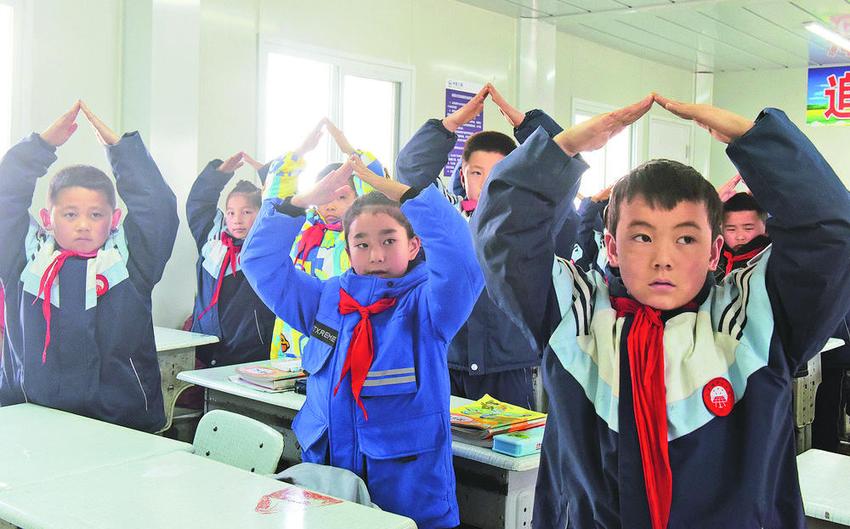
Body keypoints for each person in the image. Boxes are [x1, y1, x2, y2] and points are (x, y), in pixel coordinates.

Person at [472, 94, 850, 528]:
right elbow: (503, 236)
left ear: (714, 252)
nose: (663, 259)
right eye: (642, 237)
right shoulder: (574, 315)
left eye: (685, 239)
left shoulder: (753, 318)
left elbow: (833, 234)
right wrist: (561, 149)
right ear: (611, 247)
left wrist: (760, 142)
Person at [241, 156, 482, 529]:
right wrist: (299, 202)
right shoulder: (327, 300)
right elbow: (259, 263)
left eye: (389, 240)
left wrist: (410, 195)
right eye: (362, 243)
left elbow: (464, 263)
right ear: (347, 247)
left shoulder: (429, 306)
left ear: (414, 245)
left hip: (407, 498)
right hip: (330, 487)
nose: (377, 255)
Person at [0, 101, 179, 432]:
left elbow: (158, 208)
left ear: (113, 220)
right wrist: (39, 148)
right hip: (31, 419)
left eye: (95, 214)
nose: (83, 225)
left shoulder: (129, 263)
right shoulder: (23, 261)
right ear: (47, 219)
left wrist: (123, 151)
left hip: (120, 425)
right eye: (70, 214)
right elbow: (5, 198)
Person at [396, 84, 573, 408]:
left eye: (499, 172)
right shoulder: (445, 216)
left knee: (506, 456)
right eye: (477, 172)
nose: (487, 181)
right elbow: (410, 174)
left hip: (509, 365)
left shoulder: (526, 222)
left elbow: (562, 170)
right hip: (447, 360)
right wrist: (448, 126)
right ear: (463, 175)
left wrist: (533, 129)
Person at [187, 151, 275, 366]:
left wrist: (267, 174)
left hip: (250, 352)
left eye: (246, 212)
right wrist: (217, 175)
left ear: (260, 212)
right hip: (205, 346)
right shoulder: (212, 240)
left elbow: (281, 207)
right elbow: (198, 204)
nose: (237, 220)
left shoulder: (266, 246)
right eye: (231, 213)